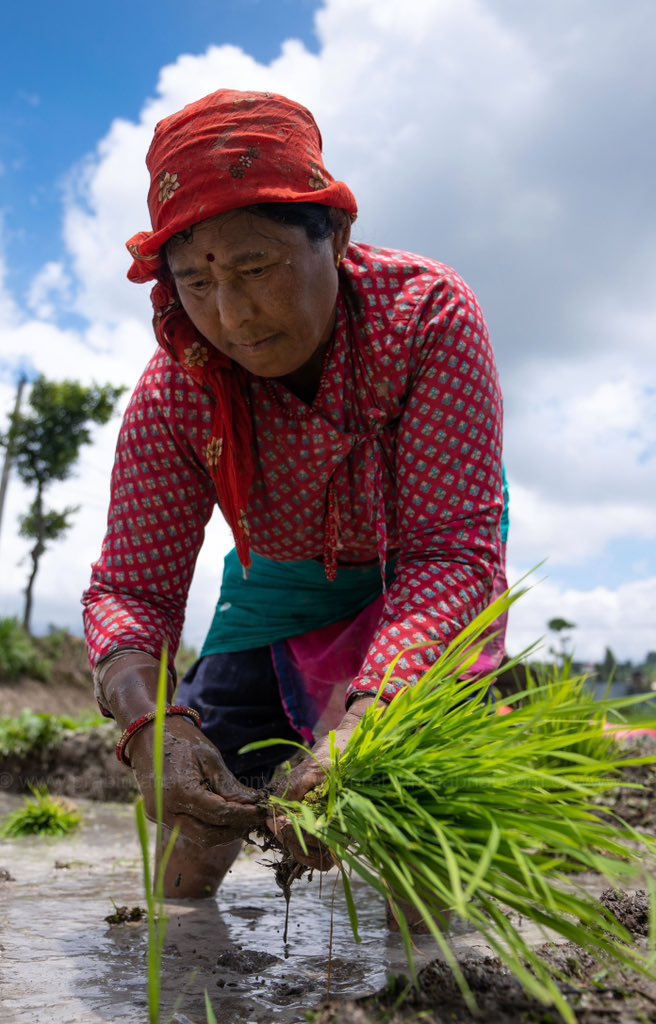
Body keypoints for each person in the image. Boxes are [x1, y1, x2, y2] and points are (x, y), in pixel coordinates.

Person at [82, 89, 508, 898]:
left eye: (254, 267)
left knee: (422, 828)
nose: (232, 316)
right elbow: (130, 588)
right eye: (195, 282)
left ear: (336, 236)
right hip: (278, 583)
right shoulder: (181, 388)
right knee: (203, 817)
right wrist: (151, 724)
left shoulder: (425, 317)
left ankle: (429, 988)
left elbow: (451, 552)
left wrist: (362, 726)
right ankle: (175, 959)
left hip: (427, 568)